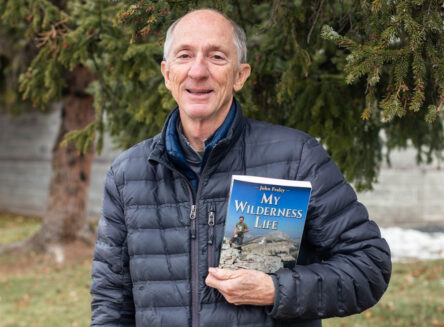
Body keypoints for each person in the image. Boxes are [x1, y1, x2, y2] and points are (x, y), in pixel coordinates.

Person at [90, 8, 391, 327]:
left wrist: (275, 290)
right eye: (184, 55)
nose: (197, 71)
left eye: (217, 56)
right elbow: (111, 302)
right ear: (167, 74)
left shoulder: (296, 158)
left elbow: (369, 266)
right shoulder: (128, 174)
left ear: (240, 75)